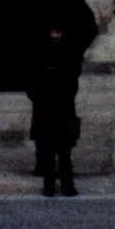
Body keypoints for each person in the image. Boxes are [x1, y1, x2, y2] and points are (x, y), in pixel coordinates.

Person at [28, 22, 82, 198]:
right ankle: (51, 188)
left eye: (58, 32)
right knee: (51, 154)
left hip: (61, 110)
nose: (56, 36)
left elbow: (73, 82)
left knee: (63, 154)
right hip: (47, 110)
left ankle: (65, 187)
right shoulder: (41, 54)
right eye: (53, 32)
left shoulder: (67, 54)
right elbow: (32, 83)